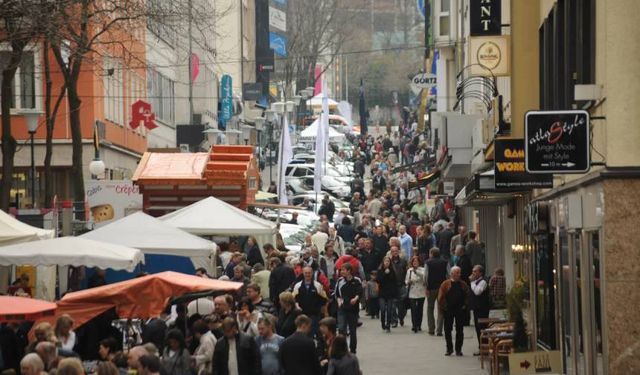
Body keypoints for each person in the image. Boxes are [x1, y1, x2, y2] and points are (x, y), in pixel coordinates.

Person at [437, 266, 470, 356]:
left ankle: (458, 349)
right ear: (452, 274)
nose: (459, 274)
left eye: (459, 272)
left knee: (460, 330)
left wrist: (465, 306)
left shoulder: (463, 284)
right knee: (447, 330)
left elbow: (468, 295)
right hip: (448, 310)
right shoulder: (445, 284)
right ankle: (449, 349)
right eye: (457, 273)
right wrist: (443, 307)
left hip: (460, 310)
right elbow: (440, 297)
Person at [335, 263, 363, 354]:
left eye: (343, 270)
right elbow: (337, 294)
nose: (341, 272)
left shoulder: (357, 280)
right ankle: (343, 349)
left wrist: (355, 298)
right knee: (341, 329)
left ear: (349, 271)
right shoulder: (340, 281)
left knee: (352, 330)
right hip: (342, 308)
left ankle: (353, 349)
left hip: (353, 309)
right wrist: (339, 302)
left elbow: (360, 292)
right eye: (341, 270)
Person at [291, 266, 328, 335]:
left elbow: (324, 300)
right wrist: (297, 306)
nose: (307, 275)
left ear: (312, 273)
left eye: (309, 273)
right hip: (302, 315)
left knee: (314, 333)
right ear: (303, 273)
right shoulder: (297, 286)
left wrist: (325, 313)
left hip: (315, 315)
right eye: (306, 273)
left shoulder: (318, 285)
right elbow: (294, 299)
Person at [425, 247, 448, 336]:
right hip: (442, 288)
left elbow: (426, 276)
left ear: (431, 254)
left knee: (430, 308)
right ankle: (439, 330)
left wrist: (426, 287)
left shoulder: (428, 262)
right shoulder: (445, 262)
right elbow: (448, 274)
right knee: (441, 308)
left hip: (431, 288)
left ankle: (431, 329)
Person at [469, 265, 491, 355]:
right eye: (473, 271)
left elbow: (477, 292)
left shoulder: (483, 281)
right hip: (477, 308)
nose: (473, 273)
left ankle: (484, 348)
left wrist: (472, 282)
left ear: (480, 273)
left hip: (482, 308)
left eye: (475, 271)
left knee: (482, 327)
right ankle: (481, 347)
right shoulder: (476, 281)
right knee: (478, 328)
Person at [405, 256, 427, 333]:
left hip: (421, 292)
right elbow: (406, 280)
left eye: (416, 261)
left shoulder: (423, 270)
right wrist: (408, 282)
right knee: (413, 310)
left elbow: (424, 278)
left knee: (419, 309)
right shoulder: (409, 270)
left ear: (419, 262)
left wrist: (416, 272)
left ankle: (419, 324)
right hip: (412, 292)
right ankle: (414, 325)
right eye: (414, 262)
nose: (415, 263)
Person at [377, 256, 398, 332]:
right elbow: (379, 281)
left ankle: (388, 324)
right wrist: (385, 274)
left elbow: (395, 282)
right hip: (382, 293)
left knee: (389, 310)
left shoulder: (393, 271)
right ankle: (383, 322)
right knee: (382, 309)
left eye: (388, 261)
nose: (387, 263)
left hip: (390, 293)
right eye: (385, 261)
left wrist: (395, 294)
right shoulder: (380, 271)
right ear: (383, 262)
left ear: (390, 263)